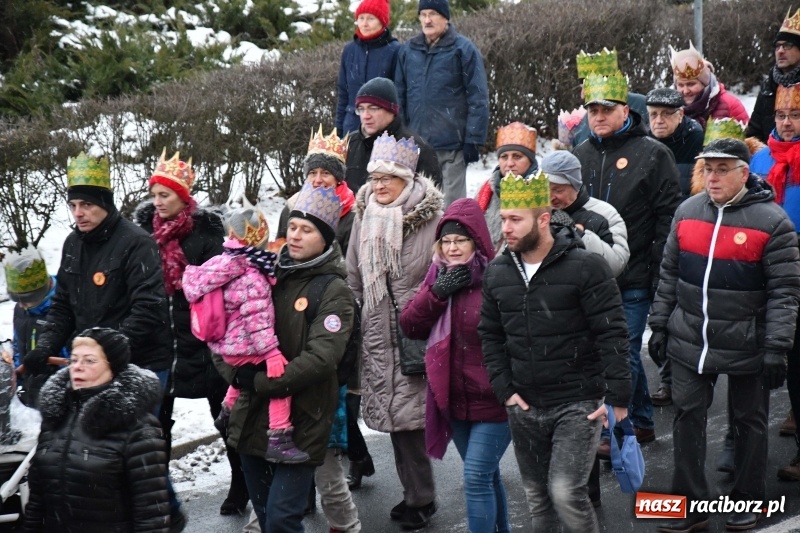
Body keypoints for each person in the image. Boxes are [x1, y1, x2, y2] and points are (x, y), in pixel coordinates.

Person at [648, 138, 800, 533]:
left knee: (748, 421)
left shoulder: (773, 222)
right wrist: (660, 323)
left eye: (722, 169)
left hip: (749, 340)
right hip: (690, 337)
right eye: (707, 169)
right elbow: (669, 276)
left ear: (744, 174)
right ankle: (689, 505)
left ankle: (746, 499)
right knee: (687, 417)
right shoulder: (687, 211)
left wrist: (777, 348)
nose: (712, 177)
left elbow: (785, 292)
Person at [479, 172, 631, 533]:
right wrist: (506, 390)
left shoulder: (586, 266)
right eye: (503, 218)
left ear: (543, 219)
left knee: (565, 492)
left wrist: (618, 397)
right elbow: (490, 333)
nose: (506, 228)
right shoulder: (498, 271)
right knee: (537, 498)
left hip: (577, 401)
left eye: (516, 219)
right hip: (525, 403)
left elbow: (611, 332)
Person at [213, 183, 356, 533]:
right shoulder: (261, 273)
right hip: (251, 415)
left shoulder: (334, 290)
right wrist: (235, 375)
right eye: (292, 226)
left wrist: (258, 381)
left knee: (281, 520)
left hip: (303, 420)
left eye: (306, 230)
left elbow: (323, 357)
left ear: (325, 238)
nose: (294, 235)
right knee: (264, 516)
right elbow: (224, 334)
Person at [133, 150, 248, 515]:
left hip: (205, 342)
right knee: (156, 428)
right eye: (154, 194)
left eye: (165, 194)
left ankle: (241, 484)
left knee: (225, 417)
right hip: (162, 346)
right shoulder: (144, 237)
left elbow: (223, 281)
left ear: (183, 196)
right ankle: (157, 498)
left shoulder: (205, 235)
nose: (158, 202)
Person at [573, 72, 681, 455]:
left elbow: (668, 216)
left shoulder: (654, 154)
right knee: (614, 352)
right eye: (593, 110)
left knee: (623, 351)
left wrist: (658, 270)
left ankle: (616, 430)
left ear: (625, 111)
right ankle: (644, 420)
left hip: (634, 275)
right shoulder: (579, 155)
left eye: (607, 109)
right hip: (589, 277)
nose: (599, 116)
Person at [346, 131, 443, 529]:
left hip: (415, 332)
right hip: (375, 331)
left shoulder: (431, 217)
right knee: (395, 421)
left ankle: (422, 498)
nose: (380, 185)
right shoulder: (364, 215)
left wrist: (417, 310)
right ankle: (415, 494)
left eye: (389, 178)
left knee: (411, 422)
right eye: (375, 178)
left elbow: (443, 271)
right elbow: (353, 271)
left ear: (407, 178)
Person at [399, 198, 510, 533]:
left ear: (476, 240)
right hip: (454, 399)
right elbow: (409, 325)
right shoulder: (437, 275)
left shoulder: (497, 278)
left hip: (495, 399)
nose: (452, 247)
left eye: (459, 240)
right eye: (445, 241)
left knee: (475, 477)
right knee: (486, 476)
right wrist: (437, 293)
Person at [276, 127, 364, 532]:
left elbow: (331, 351)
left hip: (314, 389)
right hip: (278, 387)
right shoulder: (291, 222)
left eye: (326, 173)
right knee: (275, 483)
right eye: (313, 172)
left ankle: (346, 525)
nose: (295, 235)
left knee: (327, 473)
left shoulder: (335, 286)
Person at [21, 152, 171, 381]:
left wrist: (106, 350)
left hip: (140, 364)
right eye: (73, 205)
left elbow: (149, 308)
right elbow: (62, 305)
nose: (78, 213)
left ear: (105, 204)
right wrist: (45, 346)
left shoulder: (137, 242)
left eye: (87, 204)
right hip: (91, 364)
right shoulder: (72, 243)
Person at [184, 206, 310, 464]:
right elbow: (257, 320)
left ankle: (226, 411)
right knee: (279, 382)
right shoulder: (251, 276)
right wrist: (272, 353)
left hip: (227, 345)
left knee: (242, 380)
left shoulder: (225, 262)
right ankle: (279, 437)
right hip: (246, 345)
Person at [23, 327, 171, 531]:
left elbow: (151, 514)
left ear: (113, 368)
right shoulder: (56, 417)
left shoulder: (138, 427)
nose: (77, 367)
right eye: (74, 360)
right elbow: (37, 499)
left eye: (90, 360)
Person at [749, 83, 800, 483]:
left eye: (795, 116)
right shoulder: (761, 159)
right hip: (766, 271)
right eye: (781, 115)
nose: (785, 123)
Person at [395, 0, 488, 206]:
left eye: (433, 14)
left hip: (452, 145)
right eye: (423, 14)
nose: (427, 20)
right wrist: (401, 133)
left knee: (452, 210)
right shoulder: (408, 50)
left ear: (445, 18)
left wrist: (473, 138)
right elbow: (399, 96)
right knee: (417, 209)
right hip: (416, 145)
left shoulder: (463, 49)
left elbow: (478, 96)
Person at [344, 77, 442, 193]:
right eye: (361, 109)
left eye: (373, 108)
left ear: (391, 110)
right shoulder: (348, 143)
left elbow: (430, 200)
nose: (365, 116)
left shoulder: (417, 148)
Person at [542, 150, 629, 278]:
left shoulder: (605, 213)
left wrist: (577, 234)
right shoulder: (537, 213)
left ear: (575, 186)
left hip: (590, 294)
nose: (550, 197)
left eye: (557, 190)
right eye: (544, 189)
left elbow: (616, 264)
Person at [4, 247, 68, 408]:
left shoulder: (64, 309)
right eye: (17, 299)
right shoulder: (21, 310)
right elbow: (19, 347)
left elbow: (72, 359)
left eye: (26, 299)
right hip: (29, 396)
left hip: (59, 397)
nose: (22, 305)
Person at [335, 0, 399, 136]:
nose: (364, 24)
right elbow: (343, 93)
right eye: (361, 18)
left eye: (370, 18)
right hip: (352, 127)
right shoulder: (349, 50)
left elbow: (399, 94)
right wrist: (338, 129)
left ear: (382, 21)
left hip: (383, 129)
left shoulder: (394, 50)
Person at [475, 121, 539, 251]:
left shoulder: (540, 192)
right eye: (504, 157)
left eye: (517, 156)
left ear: (530, 160)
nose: (509, 163)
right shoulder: (485, 190)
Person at [571, 49, 649, 148]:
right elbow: (580, 143)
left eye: (585, 88)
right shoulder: (588, 115)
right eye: (594, 111)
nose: (582, 95)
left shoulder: (641, 104)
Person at [747, 7, 800, 142]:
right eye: (777, 46)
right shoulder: (769, 87)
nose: (780, 51)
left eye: (787, 45)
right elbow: (754, 134)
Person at [670, 42, 749, 130]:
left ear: (705, 83)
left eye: (691, 84)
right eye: (680, 85)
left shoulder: (730, 105)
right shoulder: (669, 110)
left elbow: (748, 139)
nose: (685, 91)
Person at [646, 87, 704, 200]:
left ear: (680, 114)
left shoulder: (696, 139)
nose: (658, 121)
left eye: (666, 114)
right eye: (653, 114)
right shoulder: (644, 140)